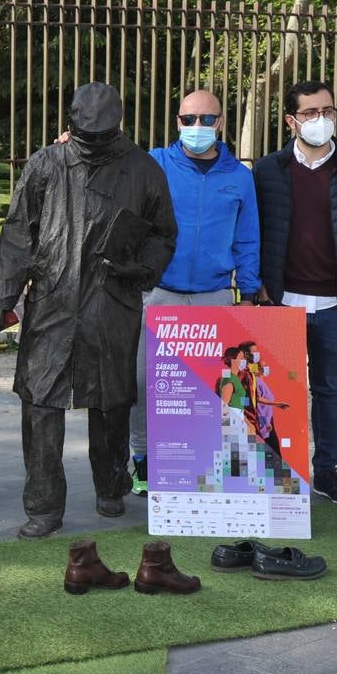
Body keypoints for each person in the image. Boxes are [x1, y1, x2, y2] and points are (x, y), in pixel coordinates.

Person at [0, 82, 177, 539]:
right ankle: (44, 506)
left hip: (112, 303)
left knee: (110, 402)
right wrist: (0, 302)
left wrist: (141, 267)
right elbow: (17, 238)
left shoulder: (143, 170)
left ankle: (111, 486)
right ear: (70, 125)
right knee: (40, 403)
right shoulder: (45, 165)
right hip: (52, 302)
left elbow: (163, 234)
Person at [253, 80, 337, 506]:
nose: (321, 119)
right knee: (274, 394)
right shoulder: (267, 170)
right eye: (311, 113)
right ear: (292, 121)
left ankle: (327, 472)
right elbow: (252, 230)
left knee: (327, 389)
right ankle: (277, 474)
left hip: (335, 305)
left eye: (327, 110)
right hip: (281, 303)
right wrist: (260, 288)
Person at [128, 89, 261, 496]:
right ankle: (142, 459)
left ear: (220, 123)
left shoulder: (239, 176)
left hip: (214, 295)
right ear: (177, 122)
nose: (198, 127)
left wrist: (250, 290)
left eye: (207, 119)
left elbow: (247, 237)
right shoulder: (154, 164)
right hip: (159, 293)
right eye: (189, 119)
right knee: (145, 382)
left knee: (210, 387)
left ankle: (197, 459)